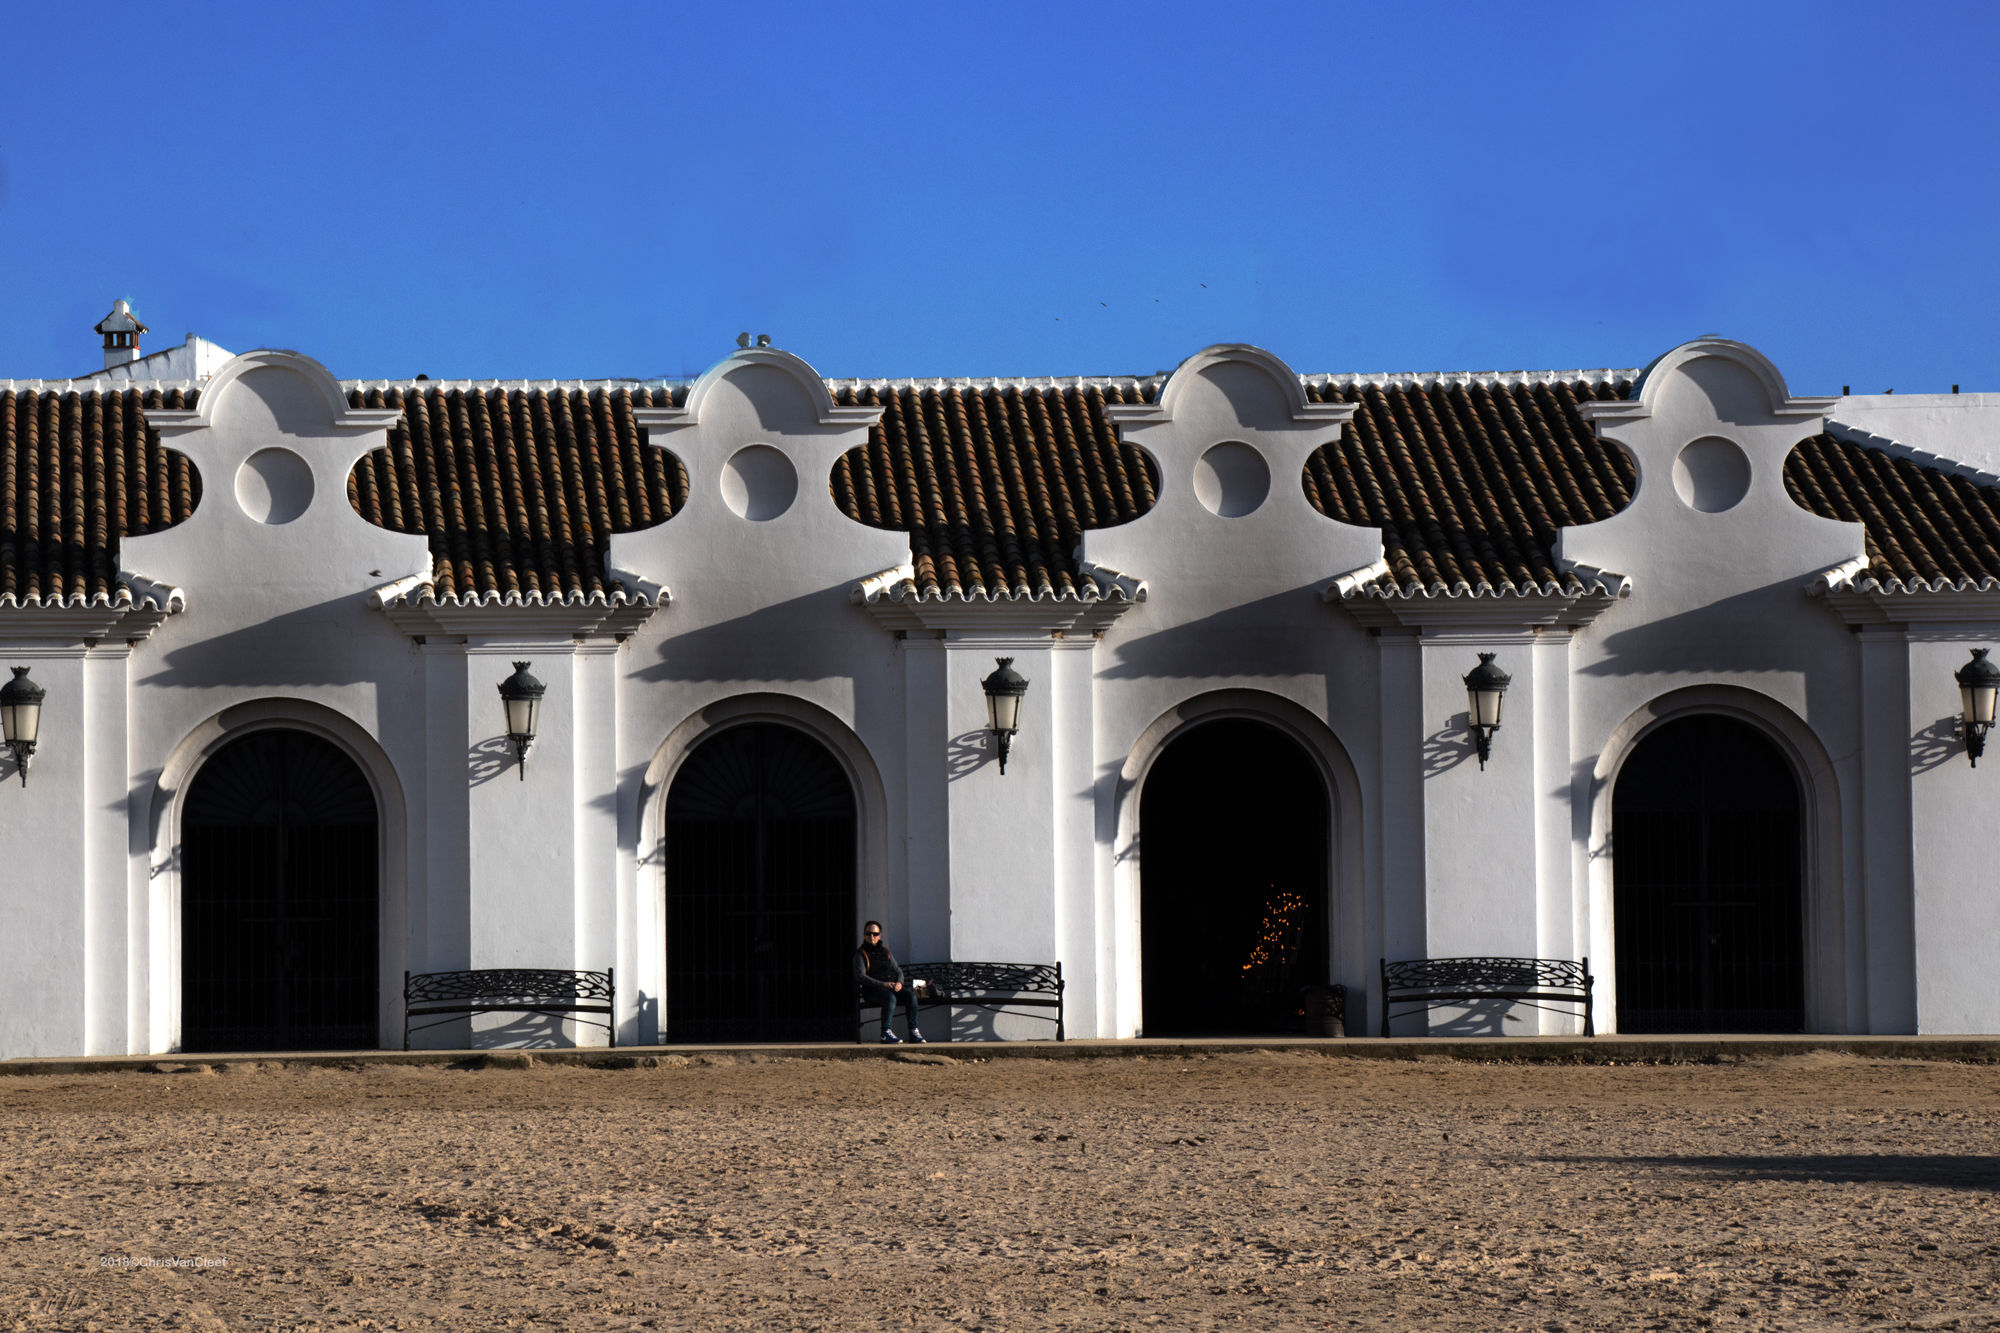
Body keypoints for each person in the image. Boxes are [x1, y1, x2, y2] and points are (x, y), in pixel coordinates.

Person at [855, 921, 923, 1044]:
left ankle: (913, 1031)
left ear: (879, 935)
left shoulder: (885, 952)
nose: (872, 937)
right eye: (869, 933)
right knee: (890, 998)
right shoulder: (860, 954)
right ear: (864, 935)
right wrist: (883, 984)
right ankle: (885, 1033)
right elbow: (861, 977)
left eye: (875, 934)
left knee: (911, 996)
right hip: (871, 990)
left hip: (891, 987)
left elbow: (898, 971)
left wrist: (899, 983)